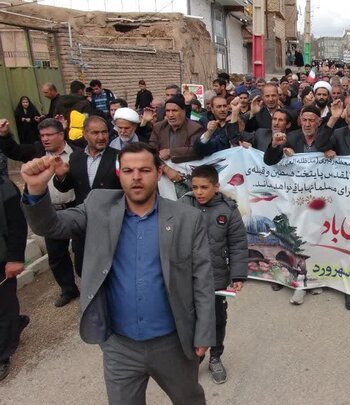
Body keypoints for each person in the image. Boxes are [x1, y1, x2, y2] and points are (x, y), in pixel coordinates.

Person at [20, 142, 215, 404]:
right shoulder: (97, 206)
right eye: (128, 170)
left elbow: (202, 278)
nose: (136, 177)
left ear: (158, 173)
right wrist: (36, 188)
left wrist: (203, 332)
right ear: (118, 174)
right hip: (119, 346)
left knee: (189, 399)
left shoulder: (186, 218)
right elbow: (50, 226)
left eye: (144, 170)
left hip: (173, 343)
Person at [0, 118, 80, 307]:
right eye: (42, 135)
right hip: (50, 212)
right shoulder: (35, 153)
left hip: (76, 208)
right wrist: (4, 135)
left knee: (82, 251)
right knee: (57, 256)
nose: (45, 139)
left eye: (49, 135)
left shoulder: (78, 152)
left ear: (61, 134)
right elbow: (14, 150)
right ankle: (68, 289)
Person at [180, 165, 247, 385]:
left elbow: (238, 244)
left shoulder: (228, 210)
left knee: (218, 318)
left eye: (204, 187)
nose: (198, 192)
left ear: (216, 187)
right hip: (188, 277)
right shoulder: (183, 205)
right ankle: (193, 359)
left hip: (218, 278)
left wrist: (237, 275)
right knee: (189, 319)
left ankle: (215, 357)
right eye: (195, 187)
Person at [53, 116, 122, 277]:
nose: (101, 137)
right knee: (84, 269)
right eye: (95, 133)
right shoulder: (76, 158)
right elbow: (66, 187)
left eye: (104, 132)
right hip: (85, 225)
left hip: (111, 222)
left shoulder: (119, 156)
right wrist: (61, 176)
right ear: (85, 134)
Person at [0, 175, 28, 382]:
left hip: (2, 260)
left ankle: (2, 357)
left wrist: (15, 258)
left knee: (3, 307)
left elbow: (17, 224)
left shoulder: (5, 187)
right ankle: (15, 324)